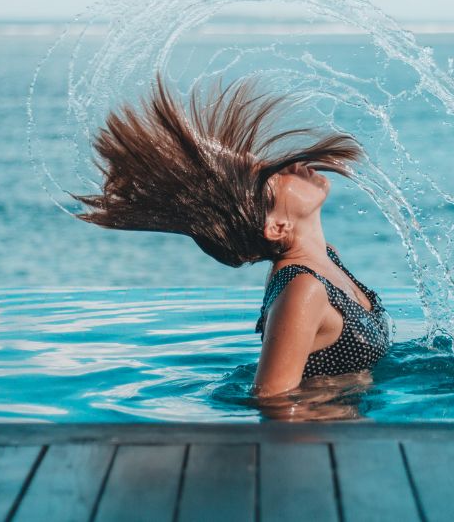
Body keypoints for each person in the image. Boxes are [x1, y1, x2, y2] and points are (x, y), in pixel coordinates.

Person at [71, 72, 392, 400]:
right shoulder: (303, 290)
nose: (289, 165)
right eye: (275, 177)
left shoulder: (327, 258)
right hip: (327, 436)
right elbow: (271, 400)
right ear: (276, 226)